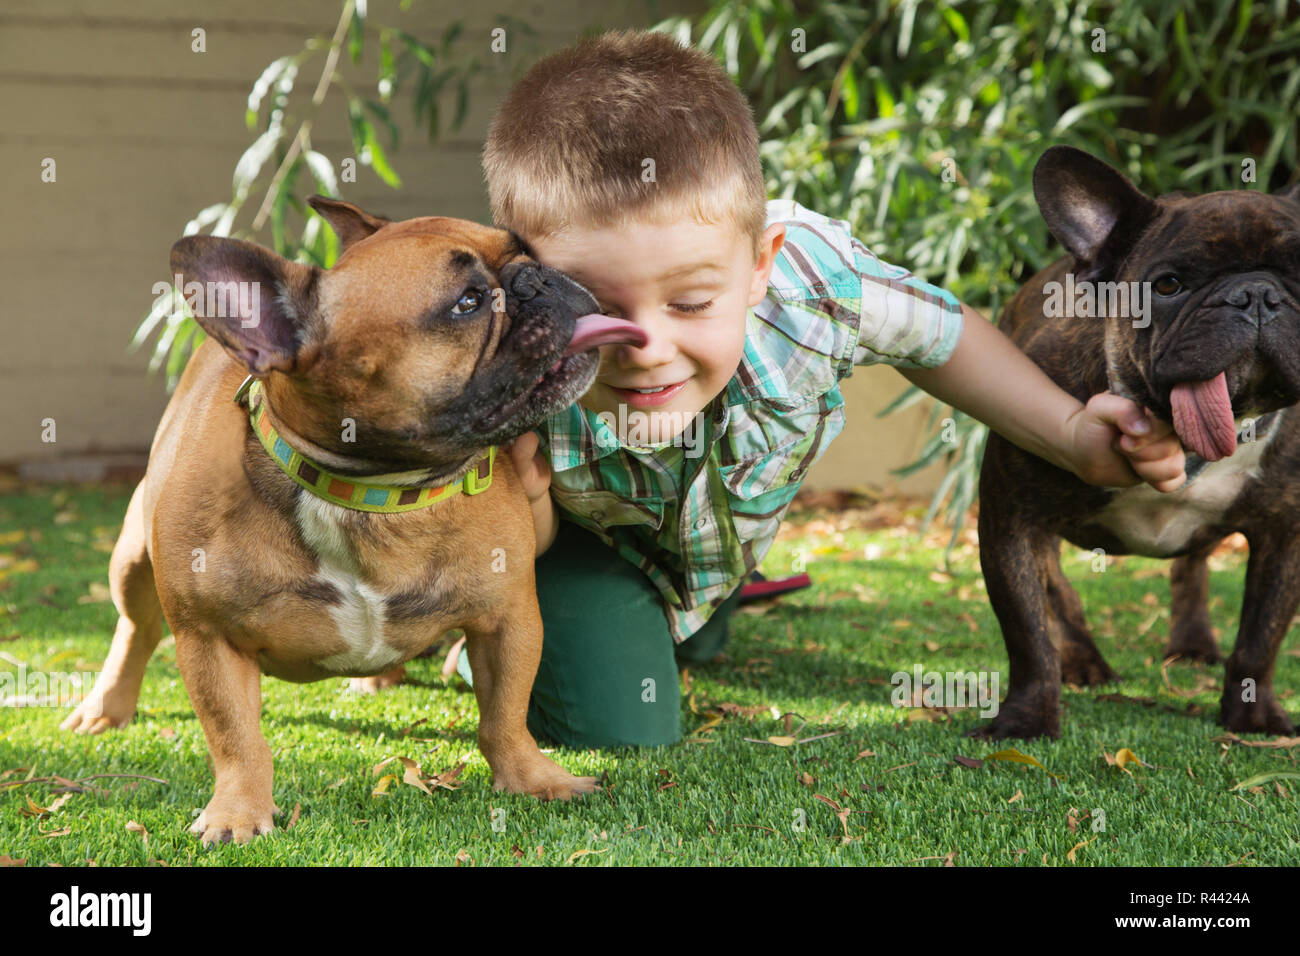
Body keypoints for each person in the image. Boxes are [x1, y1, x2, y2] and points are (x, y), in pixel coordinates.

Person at [460, 29, 1185, 749]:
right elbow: (507, 525)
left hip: (719, 536)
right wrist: (526, 506)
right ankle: (572, 631)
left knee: (697, 631)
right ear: (528, 284)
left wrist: (1069, 437)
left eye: (689, 304)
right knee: (620, 729)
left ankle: (710, 598)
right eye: (596, 307)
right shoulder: (510, 363)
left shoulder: (816, 287)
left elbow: (941, 337)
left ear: (758, 265)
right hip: (590, 545)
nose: (649, 348)